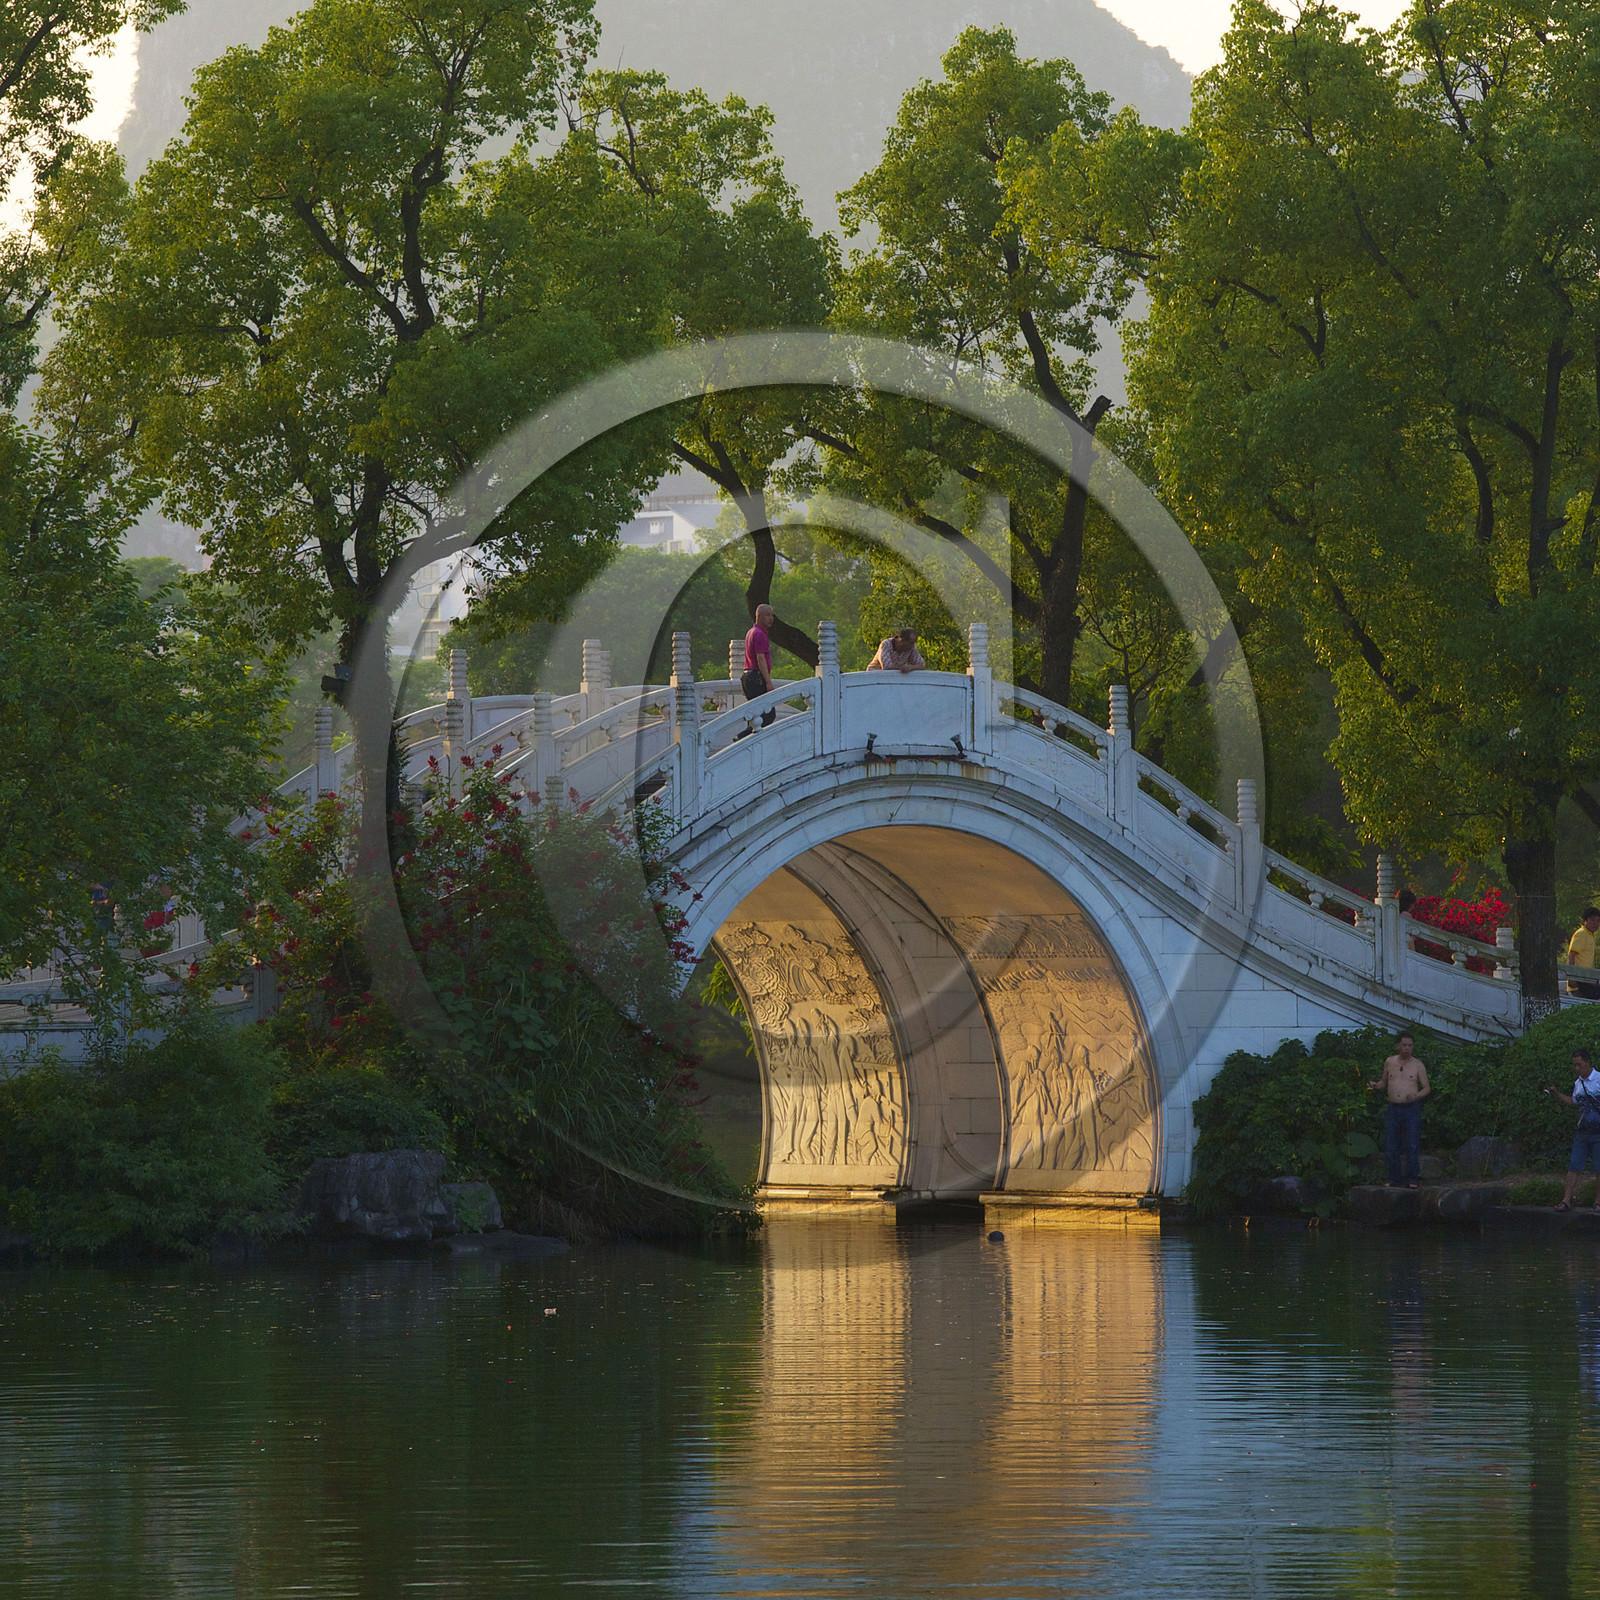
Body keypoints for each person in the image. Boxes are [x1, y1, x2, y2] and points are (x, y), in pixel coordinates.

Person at [1367, 1031, 1430, 1188]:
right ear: (1398, 1046)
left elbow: (1426, 1088)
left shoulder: (1418, 1065)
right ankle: (1393, 1178)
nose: (1407, 1048)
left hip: (1411, 1108)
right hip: (1393, 1107)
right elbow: (1384, 1083)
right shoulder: (1390, 1061)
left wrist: (1416, 1095)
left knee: (1412, 1143)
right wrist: (1375, 1085)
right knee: (1391, 1144)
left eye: (1410, 1045)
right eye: (1404, 1045)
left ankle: (1412, 1178)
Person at [1546, 1049, 1600, 1211]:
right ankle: (1566, 1200)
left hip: (1598, 1132)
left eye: (1579, 1065)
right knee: (1573, 1165)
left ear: (1588, 1062)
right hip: (1582, 1132)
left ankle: (1598, 1201)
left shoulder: (1599, 1079)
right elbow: (1573, 1102)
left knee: (1599, 1168)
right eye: (1574, 1065)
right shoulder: (1578, 1083)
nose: (1576, 1068)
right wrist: (1557, 1094)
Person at [736, 603, 777, 736]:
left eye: (772, 615)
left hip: (747, 677)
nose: (771, 619)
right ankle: (742, 737)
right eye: (767, 615)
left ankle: (745, 739)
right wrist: (768, 682)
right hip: (756, 677)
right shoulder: (759, 634)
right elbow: (760, 659)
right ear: (758, 617)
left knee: (756, 714)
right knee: (768, 714)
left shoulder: (751, 632)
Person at [1567, 908, 1600, 999]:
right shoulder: (1581, 934)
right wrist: (1571, 978)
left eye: (1598, 921)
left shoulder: (1590, 935)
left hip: (1587, 980)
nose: (1595, 924)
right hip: (1578, 982)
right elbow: (1572, 955)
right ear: (1585, 920)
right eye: (1592, 920)